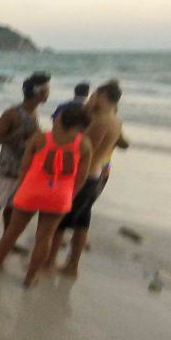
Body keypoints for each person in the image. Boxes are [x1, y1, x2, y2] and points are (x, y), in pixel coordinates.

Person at [0, 103, 92, 286]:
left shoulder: (40, 138)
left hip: (31, 191)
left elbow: (24, 166)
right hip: (59, 196)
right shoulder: (84, 145)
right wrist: (70, 194)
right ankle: (30, 277)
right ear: (81, 126)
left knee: (13, 230)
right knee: (45, 237)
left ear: (61, 118)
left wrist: (23, 187)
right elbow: (81, 177)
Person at [48, 80, 124, 278]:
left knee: (61, 222)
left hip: (84, 177)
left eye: (95, 95)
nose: (92, 98)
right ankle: (72, 266)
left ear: (103, 96)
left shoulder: (100, 122)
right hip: (98, 176)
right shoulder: (115, 120)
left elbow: (81, 149)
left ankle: (49, 263)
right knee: (82, 222)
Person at [0, 72, 51, 253]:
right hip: (8, 166)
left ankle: (7, 239)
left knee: (12, 205)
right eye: (46, 90)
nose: (48, 93)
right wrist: (21, 134)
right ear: (38, 92)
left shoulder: (33, 112)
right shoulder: (12, 113)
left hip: (23, 166)